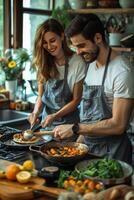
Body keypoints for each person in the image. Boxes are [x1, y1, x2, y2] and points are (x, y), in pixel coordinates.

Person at [54, 14, 134, 164]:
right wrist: (76, 146)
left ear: (98, 38)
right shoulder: (90, 65)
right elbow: (89, 118)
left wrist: (75, 128)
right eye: (75, 46)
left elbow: (118, 125)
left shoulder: (122, 71)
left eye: (81, 45)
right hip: (90, 152)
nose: (77, 52)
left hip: (113, 157)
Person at [28, 18, 86, 137]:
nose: (49, 46)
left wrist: (55, 116)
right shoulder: (43, 61)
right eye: (45, 42)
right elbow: (40, 95)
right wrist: (35, 112)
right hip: (46, 128)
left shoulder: (77, 62)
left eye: (52, 40)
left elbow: (76, 100)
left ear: (62, 36)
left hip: (68, 129)